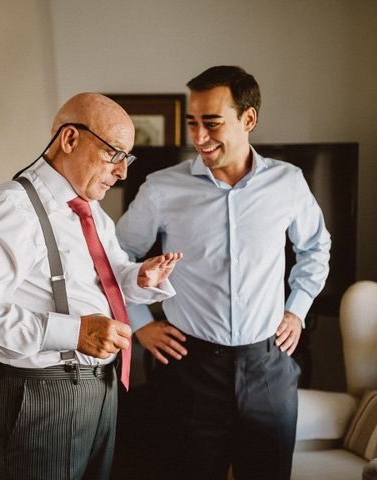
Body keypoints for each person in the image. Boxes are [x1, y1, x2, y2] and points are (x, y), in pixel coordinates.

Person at [0, 92, 182, 480]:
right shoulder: (10, 207)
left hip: (98, 390)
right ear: (70, 139)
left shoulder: (92, 211)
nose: (122, 172)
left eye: (127, 158)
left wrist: (136, 278)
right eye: (114, 154)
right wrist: (75, 332)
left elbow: (103, 276)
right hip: (39, 398)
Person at [116, 66, 331, 480]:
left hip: (268, 365)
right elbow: (118, 255)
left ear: (247, 119)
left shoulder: (288, 183)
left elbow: (316, 248)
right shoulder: (161, 188)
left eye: (211, 123)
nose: (198, 137)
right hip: (189, 369)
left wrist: (297, 309)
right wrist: (140, 324)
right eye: (192, 123)